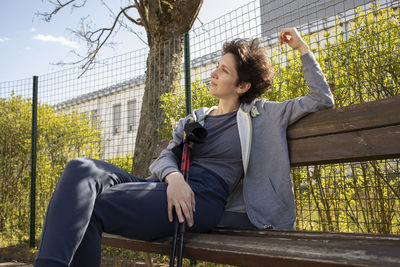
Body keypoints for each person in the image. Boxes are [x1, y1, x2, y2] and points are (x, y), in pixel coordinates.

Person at [34, 27, 335, 266]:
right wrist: (174, 178)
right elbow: (167, 156)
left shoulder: (263, 115)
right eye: (217, 67)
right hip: (168, 186)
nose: (213, 74)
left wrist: (301, 48)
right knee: (80, 168)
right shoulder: (197, 118)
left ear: (243, 86)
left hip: (200, 200)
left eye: (224, 71)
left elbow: (321, 99)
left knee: (91, 207)